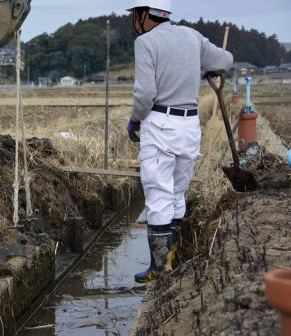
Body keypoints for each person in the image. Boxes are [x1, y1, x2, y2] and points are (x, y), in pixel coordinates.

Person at [126, 0, 233, 283]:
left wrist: (136, 118)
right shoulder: (192, 36)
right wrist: (206, 68)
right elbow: (225, 60)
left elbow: (145, 93)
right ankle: (172, 258)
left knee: (158, 193)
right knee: (176, 192)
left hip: (160, 123)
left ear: (143, 15)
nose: (134, 22)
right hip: (189, 124)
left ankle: (159, 268)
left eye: (135, 15)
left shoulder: (145, 42)